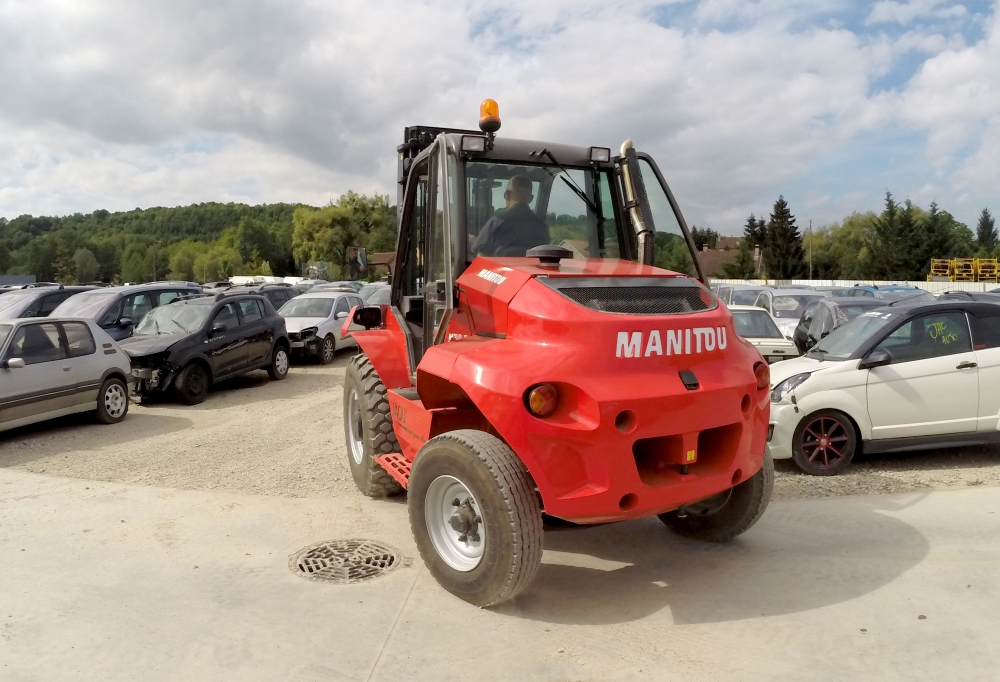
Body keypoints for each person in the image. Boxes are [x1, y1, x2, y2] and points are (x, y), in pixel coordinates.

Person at [471, 175, 550, 257]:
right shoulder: (542, 227)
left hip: (500, 269)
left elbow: (481, 259)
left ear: (507, 195)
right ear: (531, 199)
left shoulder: (496, 222)